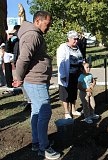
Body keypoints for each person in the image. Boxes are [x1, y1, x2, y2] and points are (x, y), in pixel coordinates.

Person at [13, 11, 60, 159]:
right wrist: (18, 78)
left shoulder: (34, 34)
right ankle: (44, 148)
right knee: (45, 112)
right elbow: (23, 59)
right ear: (38, 21)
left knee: (36, 112)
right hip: (35, 81)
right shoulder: (33, 35)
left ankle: (36, 142)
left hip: (36, 80)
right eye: (48, 24)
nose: (49, 27)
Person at [57, 30, 83, 119]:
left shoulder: (77, 47)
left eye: (77, 39)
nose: (76, 41)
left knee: (73, 93)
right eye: (74, 39)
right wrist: (62, 75)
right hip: (66, 75)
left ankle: (73, 110)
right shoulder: (63, 47)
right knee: (65, 94)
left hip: (75, 75)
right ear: (69, 38)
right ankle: (66, 112)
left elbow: (80, 58)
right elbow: (60, 62)